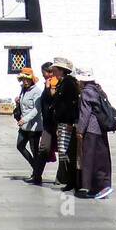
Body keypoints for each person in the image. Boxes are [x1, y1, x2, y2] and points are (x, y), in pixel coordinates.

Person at [74, 68, 113, 199]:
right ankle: (105, 184)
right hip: (101, 128)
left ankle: (93, 187)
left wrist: (80, 130)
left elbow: (85, 114)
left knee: (90, 159)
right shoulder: (98, 90)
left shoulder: (86, 92)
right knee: (102, 158)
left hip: (91, 130)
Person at [50, 57, 80, 191]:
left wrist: (71, 121)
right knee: (62, 151)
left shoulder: (69, 83)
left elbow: (72, 104)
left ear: (61, 70)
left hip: (67, 123)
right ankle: (69, 179)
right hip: (61, 122)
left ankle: (72, 181)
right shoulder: (62, 82)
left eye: (55, 69)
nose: (53, 72)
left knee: (65, 150)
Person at [14, 67, 43, 176]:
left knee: (34, 150)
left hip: (34, 126)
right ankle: (35, 167)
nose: (25, 81)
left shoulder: (37, 92)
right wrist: (18, 101)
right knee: (20, 145)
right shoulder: (23, 89)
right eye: (23, 79)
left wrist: (24, 119)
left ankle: (37, 174)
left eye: (27, 79)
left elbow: (36, 109)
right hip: (23, 125)